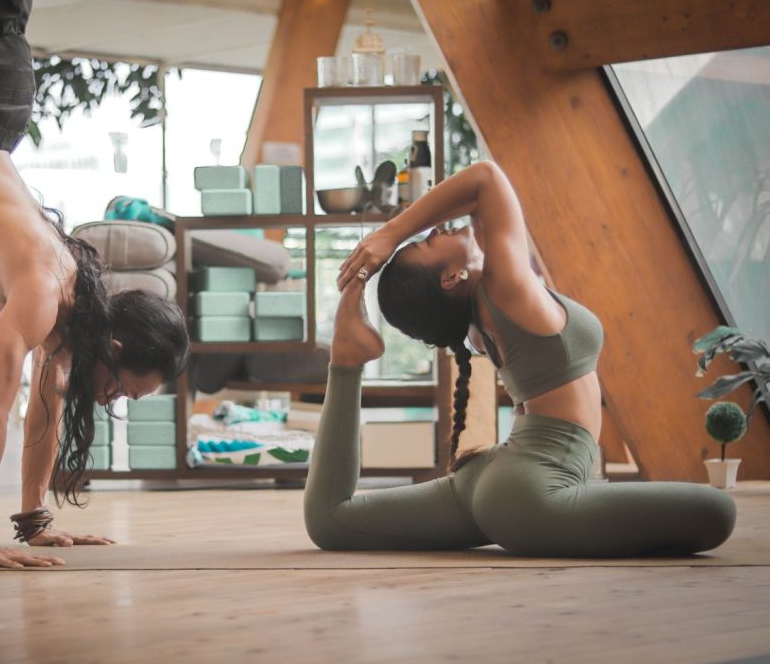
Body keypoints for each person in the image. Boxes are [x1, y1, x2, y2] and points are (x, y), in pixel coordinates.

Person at [304, 160, 735, 557]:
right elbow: (485, 179)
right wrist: (390, 234)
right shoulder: (506, 290)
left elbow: (477, 202)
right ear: (451, 277)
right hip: (534, 492)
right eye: (426, 244)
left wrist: (380, 257)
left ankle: (346, 361)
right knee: (718, 512)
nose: (433, 232)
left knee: (333, 520)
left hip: (494, 481)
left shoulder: (478, 318)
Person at [0, 0, 190, 568]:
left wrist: (34, 523)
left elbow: (46, 407)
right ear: (113, 349)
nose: (114, 401)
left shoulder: (69, 330)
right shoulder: (42, 293)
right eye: (123, 389)